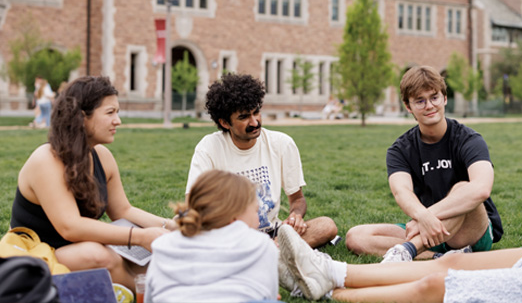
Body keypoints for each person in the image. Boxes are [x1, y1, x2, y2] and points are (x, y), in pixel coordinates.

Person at [277, 69, 522, 303]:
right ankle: (330, 269)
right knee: (452, 264)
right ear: (410, 106)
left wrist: (425, 222)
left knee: (437, 287)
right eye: (419, 100)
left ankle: (327, 288)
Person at [10, 76, 172, 292]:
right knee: (99, 256)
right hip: (35, 252)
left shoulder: (102, 157)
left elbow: (123, 210)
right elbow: (70, 227)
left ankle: (145, 290)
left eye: (117, 112)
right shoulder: (46, 160)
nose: (118, 121)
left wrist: (168, 225)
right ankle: (156, 295)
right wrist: (140, 237)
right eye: (110, 113)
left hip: (76, 247)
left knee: (153, 258)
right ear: (81, 117)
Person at [186, 73, 338, 294]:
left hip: (274, 235)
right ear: (224, 122)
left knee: (327, 226)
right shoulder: (208, 148)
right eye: (244, 117)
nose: (255, 122)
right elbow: (196, 207)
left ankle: (266, 256)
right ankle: (270, 259)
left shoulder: (282, 143)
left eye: (256, 112)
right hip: (230, 238)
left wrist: (295, 216)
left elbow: (297, 200)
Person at [346, 66, 503, 262]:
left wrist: (425, 216)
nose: (429, 105)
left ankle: (408, 250)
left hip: (469, 232)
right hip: (427, 230)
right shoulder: (400, 149)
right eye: (420, 101)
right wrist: (424, 218)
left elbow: (481, 189)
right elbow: (401, 192)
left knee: (463, 188)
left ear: (444, 98)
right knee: (356, 236)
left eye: (434, 97)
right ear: (408, 106)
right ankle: (438, 257)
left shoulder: (468, 139)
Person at [145, 169, 279, 302]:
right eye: (256, 211)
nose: (259, 219)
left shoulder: (163, 245)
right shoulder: (261, 244)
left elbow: (151, 298)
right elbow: (269, 294)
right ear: (234, 216)